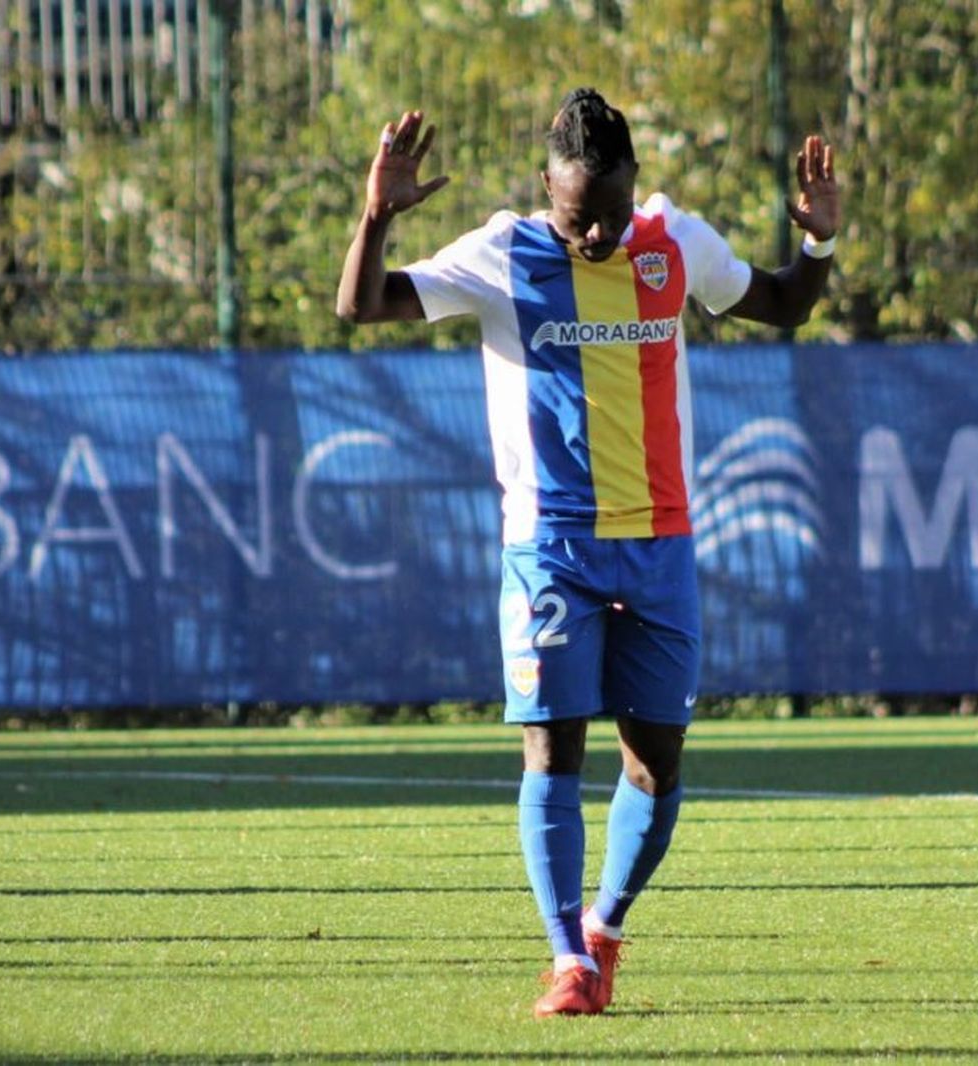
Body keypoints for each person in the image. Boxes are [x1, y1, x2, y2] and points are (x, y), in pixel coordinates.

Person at [336, 88, 840, 1018]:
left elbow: (781, 304)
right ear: (546, 192)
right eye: (578, 218)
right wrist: (376, 216)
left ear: (634, 188)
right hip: (551, 546)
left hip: (661, 543)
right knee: (553, 750)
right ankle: (567, 958)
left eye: (610, 213)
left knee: (656, 764)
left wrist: (817, 244)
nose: (599, 235)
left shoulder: (673, 242)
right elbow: (360, 305)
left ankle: (606, 928)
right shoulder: (503, 253)